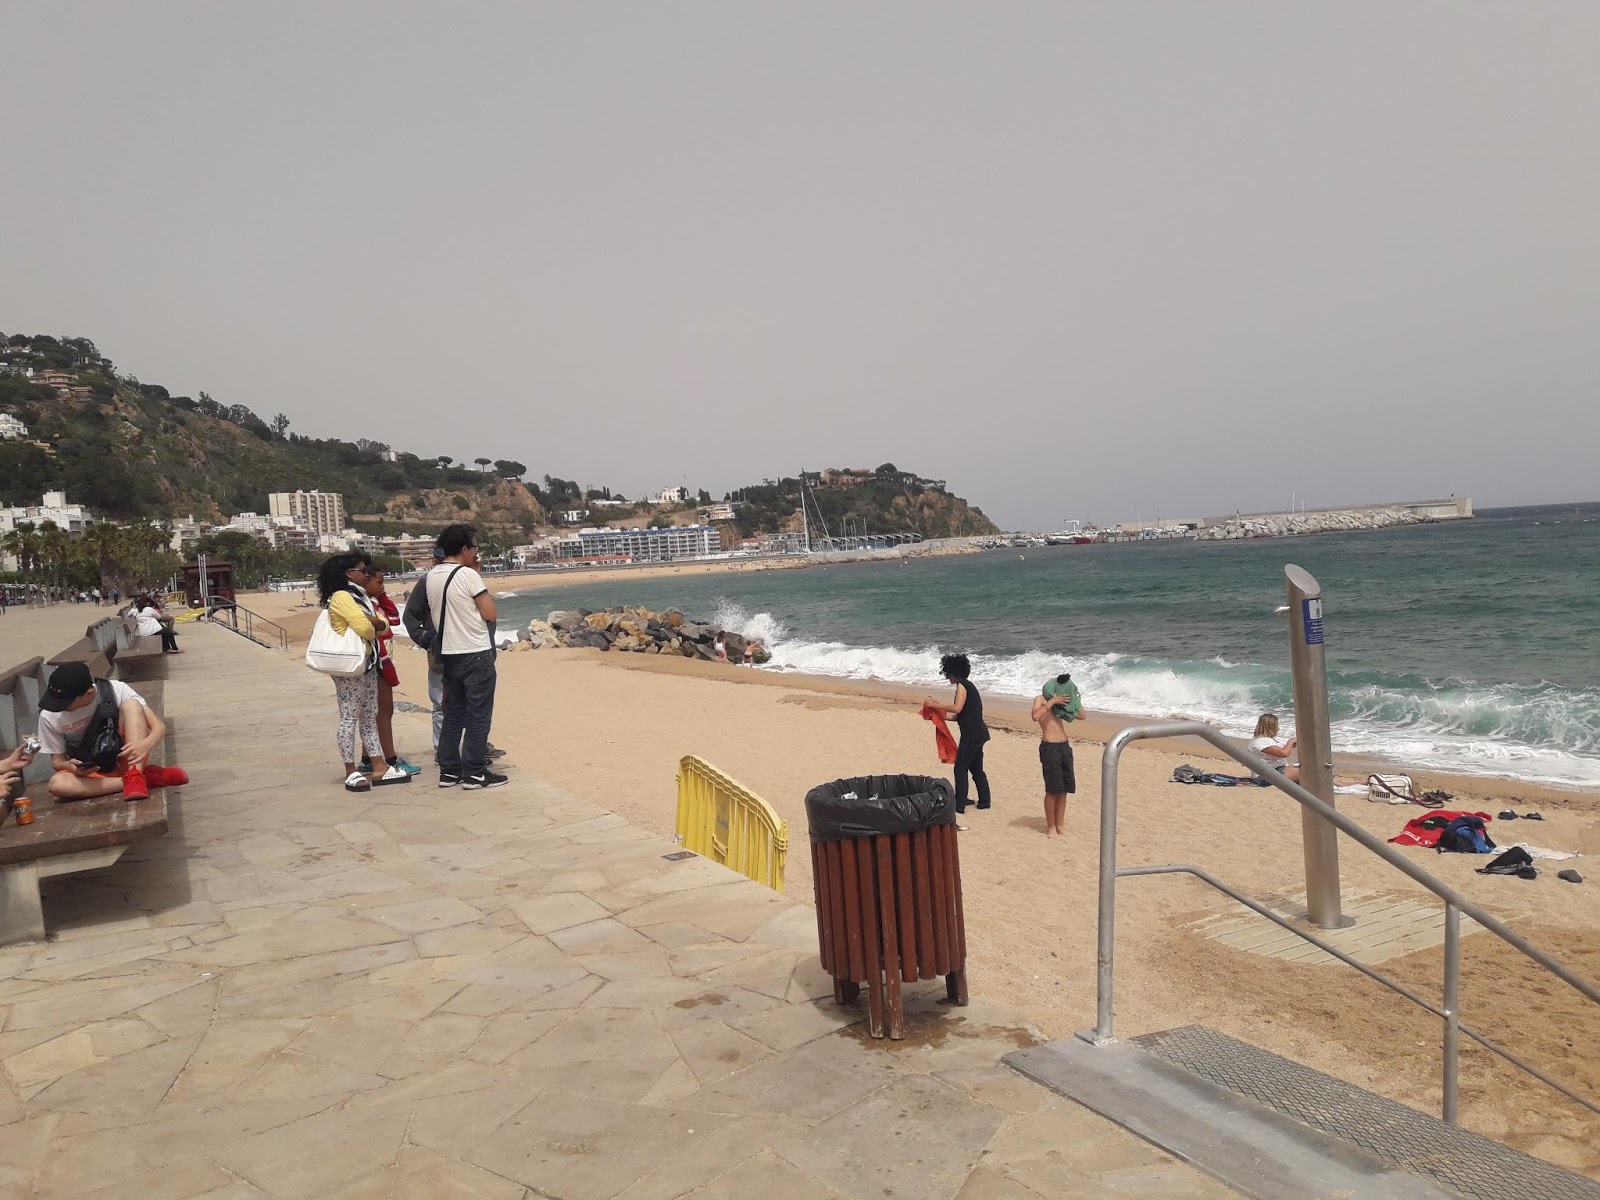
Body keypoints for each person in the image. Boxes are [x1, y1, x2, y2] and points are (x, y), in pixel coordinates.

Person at [404, 544, 507, 768]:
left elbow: (482, 618)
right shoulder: (430, 581)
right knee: (444, 704)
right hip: (446, 654)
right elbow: (411, 616)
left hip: (474, 651)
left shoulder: (468, 579)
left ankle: (474, 751)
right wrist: (427, 639)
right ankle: (445, 754)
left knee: (471, 705)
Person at [317, 552, 410, 792]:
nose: (367, 574)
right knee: (349, 717)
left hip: (367, 663)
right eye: (362, 571)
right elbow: (367, 629)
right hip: (349, 666)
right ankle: (350, 770)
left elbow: (384, 624)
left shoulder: (359, 596)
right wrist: (374, 623)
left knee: (369, 715)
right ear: (349, 574)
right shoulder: (342, 596)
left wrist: (375, 623)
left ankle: (379, 766)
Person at [426, 525, 507, 789]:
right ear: (464, 548)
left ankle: (449, 770)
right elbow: (490, 613)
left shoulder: (432, 576)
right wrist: (475, 576)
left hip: (450, 653)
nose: (475, 553)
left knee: (453, 714)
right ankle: (474, 771)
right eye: (474, 548)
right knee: (478, 714)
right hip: (475, 651)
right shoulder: (468, 575)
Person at [37, 662, 189, 801]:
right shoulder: (49, 715)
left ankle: (135, 773)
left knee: (132, 705)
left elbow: (159, 726)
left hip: (127, 758)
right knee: (57, 785)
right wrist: (68, 766)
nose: (57, 707)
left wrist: (146, 744)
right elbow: (57, 761)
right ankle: (142, 779)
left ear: (89, 693)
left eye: (65, 702)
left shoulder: (115, 689)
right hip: (92, 773)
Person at [360, 564, 420, 777]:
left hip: (379, 661)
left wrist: (382, 596)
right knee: (384, 712)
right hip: (377, 663)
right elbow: (383, 627)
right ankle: (390, 759)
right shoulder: (366, 606)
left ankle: (367, 758)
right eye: (379, 582)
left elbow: (394, 618)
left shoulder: (373, 602)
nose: (383, 587)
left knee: (371, 713)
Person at [923, 653, 990, 816]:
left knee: (960, 768)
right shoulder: (969, 686)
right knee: (976, 769)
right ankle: (984, 801)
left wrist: (936, 705)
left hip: (972, 735)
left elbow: (957, 708)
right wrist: (939, 715)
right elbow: (960, 715)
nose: (947, 677)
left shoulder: (962, 686)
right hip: (978, 732)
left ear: (953, 672)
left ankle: (960, 804)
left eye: (947, 673)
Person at [1030, 673, 1081, 837]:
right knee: (1053, 789)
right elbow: (1035, 716)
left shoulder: (1061, 703)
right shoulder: (1040, 699)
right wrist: (1052, 701)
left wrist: (1075, 698)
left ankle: (1060, 825)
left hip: (1064, 746)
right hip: (1049, 747)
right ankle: (1051, 826)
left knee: (1064, 789)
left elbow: (1082, 715)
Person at [1248, 713, 1300, 783]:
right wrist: (1291, 742)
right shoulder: (1261, 741)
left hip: (1273, 771)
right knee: (1306, 773)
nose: (1278, 729)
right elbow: (1284, 753)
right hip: (1265, 775)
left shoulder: (1264, 738)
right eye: (1277, 726)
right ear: (1271, 727)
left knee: (1303, 769)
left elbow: (1282, 744)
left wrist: (1291, 744)